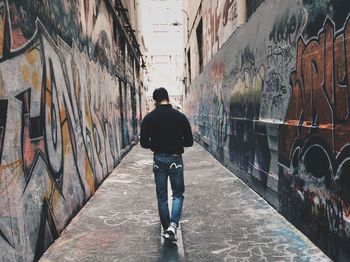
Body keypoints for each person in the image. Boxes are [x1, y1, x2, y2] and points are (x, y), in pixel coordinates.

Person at [140, 87, 193, 242]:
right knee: (177, 195)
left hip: (159, 160)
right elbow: (189, 142)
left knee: (162, 197)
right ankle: (173, 226)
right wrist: (176, 142)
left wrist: (156, 144)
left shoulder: (149, 118)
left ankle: (167, 230)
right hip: (176, 159)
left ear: (155, 100)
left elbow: (143, 143)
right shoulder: (180, 117)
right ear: (168, 97)